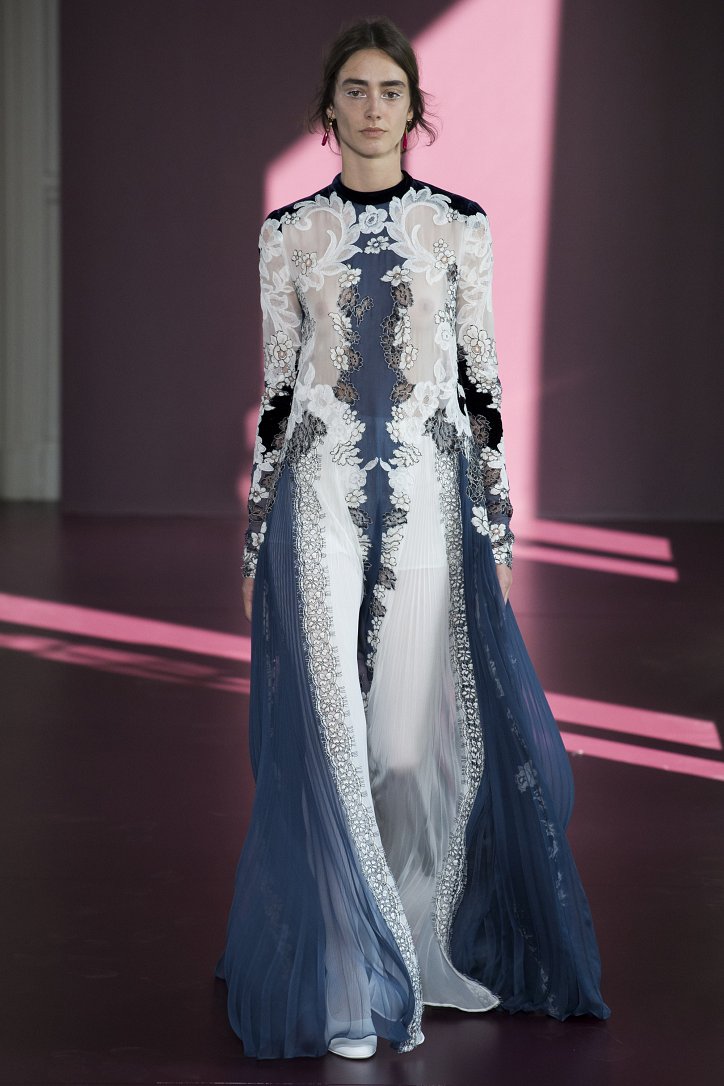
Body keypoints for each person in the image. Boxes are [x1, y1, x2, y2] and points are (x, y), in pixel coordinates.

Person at [214, 15, 611, 1061]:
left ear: (413, 109)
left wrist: (498, 525)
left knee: (402, 752)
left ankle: (418, 950)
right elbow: (276, 392)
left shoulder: (459, 229)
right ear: (328, 108)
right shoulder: (288, 235)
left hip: (433, 500)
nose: (373, 106)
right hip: (317, 496)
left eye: (390, 90)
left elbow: (481, 388)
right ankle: (351, 976)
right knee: (332, 737)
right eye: (355, 88)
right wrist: (255, 539)